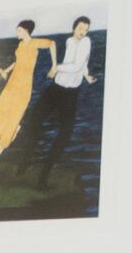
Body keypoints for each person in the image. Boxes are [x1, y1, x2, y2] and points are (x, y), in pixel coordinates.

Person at [0, 19, 54, 184]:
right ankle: (12, 131)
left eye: (19, 30)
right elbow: (18, 61)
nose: (17, 33)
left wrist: (54, 66)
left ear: (27, 30)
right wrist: (5, 70)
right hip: (12, 82)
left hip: (23, 87)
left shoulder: (35, 43)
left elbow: (52, 43)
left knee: (9, 129)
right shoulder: (21, 45)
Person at [27, 15, 94, 185]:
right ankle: (27, 159)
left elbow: (78, 65)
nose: (83, 32)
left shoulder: (86, 41)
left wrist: (56, 68)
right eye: (80, 28)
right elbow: (82, 63)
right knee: (33, 121)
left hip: (70, 94)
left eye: (86, 30)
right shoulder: (70, 41)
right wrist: (86, 75)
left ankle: (44, 173)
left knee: (64, 134)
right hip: (56, 89)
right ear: (74, 28)